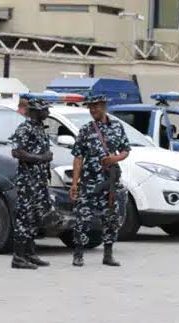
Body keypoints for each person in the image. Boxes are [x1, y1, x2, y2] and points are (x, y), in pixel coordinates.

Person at [70, 95, 131, 267]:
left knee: (111, 218)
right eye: (90, 107)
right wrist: (75, 183)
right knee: (83, 217)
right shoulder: (86, 130)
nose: (92, 110)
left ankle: (108, 254)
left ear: (104, 106)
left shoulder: (117, 127)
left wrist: (115, 158)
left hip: (110, 182)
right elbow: (78, 157)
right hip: (90, 182)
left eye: (95, 107)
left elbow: (126, 150)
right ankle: (78, 253)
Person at [9, 98, 53, 270]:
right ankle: (18, 257)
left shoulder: (40, 128)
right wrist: (41, 158)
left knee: (35, 216)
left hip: (39, 180)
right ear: (35, 111)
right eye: (45, 110)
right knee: (24, 217)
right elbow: (16, 152)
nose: (48, 113)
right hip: (28, 180)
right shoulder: (25, 128)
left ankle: (30, 253)